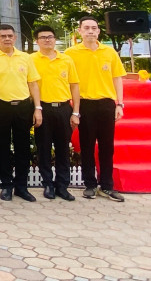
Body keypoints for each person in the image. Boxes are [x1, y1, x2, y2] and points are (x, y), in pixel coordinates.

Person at [65, 16, 126, 202]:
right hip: (84, 104)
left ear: (99, 31)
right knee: (87, 146)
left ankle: (107, 186)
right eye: (86, 28)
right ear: (80, 31)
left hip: (107, 104)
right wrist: (73, 108)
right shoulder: (70, 54)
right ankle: (90, 184)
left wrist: (120, 104)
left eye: (94, 28)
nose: (90, 31)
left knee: (107, 147)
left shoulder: (109, 52)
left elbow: (117, 78)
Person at [0, 24, 42, 202]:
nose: (7, 39)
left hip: (23, 106)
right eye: (3, 36)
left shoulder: (25, 57)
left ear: (15, 37)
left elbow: (33, 83)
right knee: (2, 147)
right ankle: (6, 186)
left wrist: (37, 108)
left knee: (23, 148)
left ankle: (21, 187)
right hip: (1, 106)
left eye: (10, 36)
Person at [32, 25, 80, 201]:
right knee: (44, 149)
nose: (47, 40)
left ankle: (62, 186)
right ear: (37, 41)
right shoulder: (31, 60)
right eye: (43, 37)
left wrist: (75, 112)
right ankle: (48, 185)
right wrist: (36, 109)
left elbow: (74, 86)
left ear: (55, 39)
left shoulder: (66, 60)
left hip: (64, 109)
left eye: (50, 37)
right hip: (42, 109)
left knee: (63, 149)